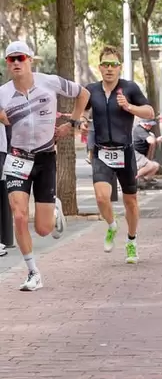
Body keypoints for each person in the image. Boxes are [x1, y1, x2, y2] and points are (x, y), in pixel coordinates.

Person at [0, 41, 89, 291]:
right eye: (11, 59)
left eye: (20, 58)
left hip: (45, 157)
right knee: (18, 215)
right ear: (8, 64)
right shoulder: (3, 93)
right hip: (17, 157)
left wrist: (72, 122)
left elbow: (84, 94)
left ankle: (54, 209)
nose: (16, 63)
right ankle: (33, 272)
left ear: (30, 60)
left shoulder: (50, 82)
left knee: (43, 228)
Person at [81, 45, 154, 263]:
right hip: (102, 152)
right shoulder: (91, 90)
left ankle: (131, 241)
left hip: (125, 151)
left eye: (114, 64)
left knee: (130, 201)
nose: (109, 69)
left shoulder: (129, 88)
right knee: (102, 197)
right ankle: (112, 225)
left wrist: (130, 107)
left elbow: (149, 112)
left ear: (120, 67)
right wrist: (83, 123)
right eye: (106, 64)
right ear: (100, 67)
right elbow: (83, 112)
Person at [133, 118, 162, 183]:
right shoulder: (139, 129)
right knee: (150, 165)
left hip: (141, 155)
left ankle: (144, 181)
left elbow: (151, 145)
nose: (150, 126)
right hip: (135, 153)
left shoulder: (146, 131)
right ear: (144, 124)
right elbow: (151, 141)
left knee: (155, 166)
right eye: (149, 124)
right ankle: (131, 179)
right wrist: (157, 140)